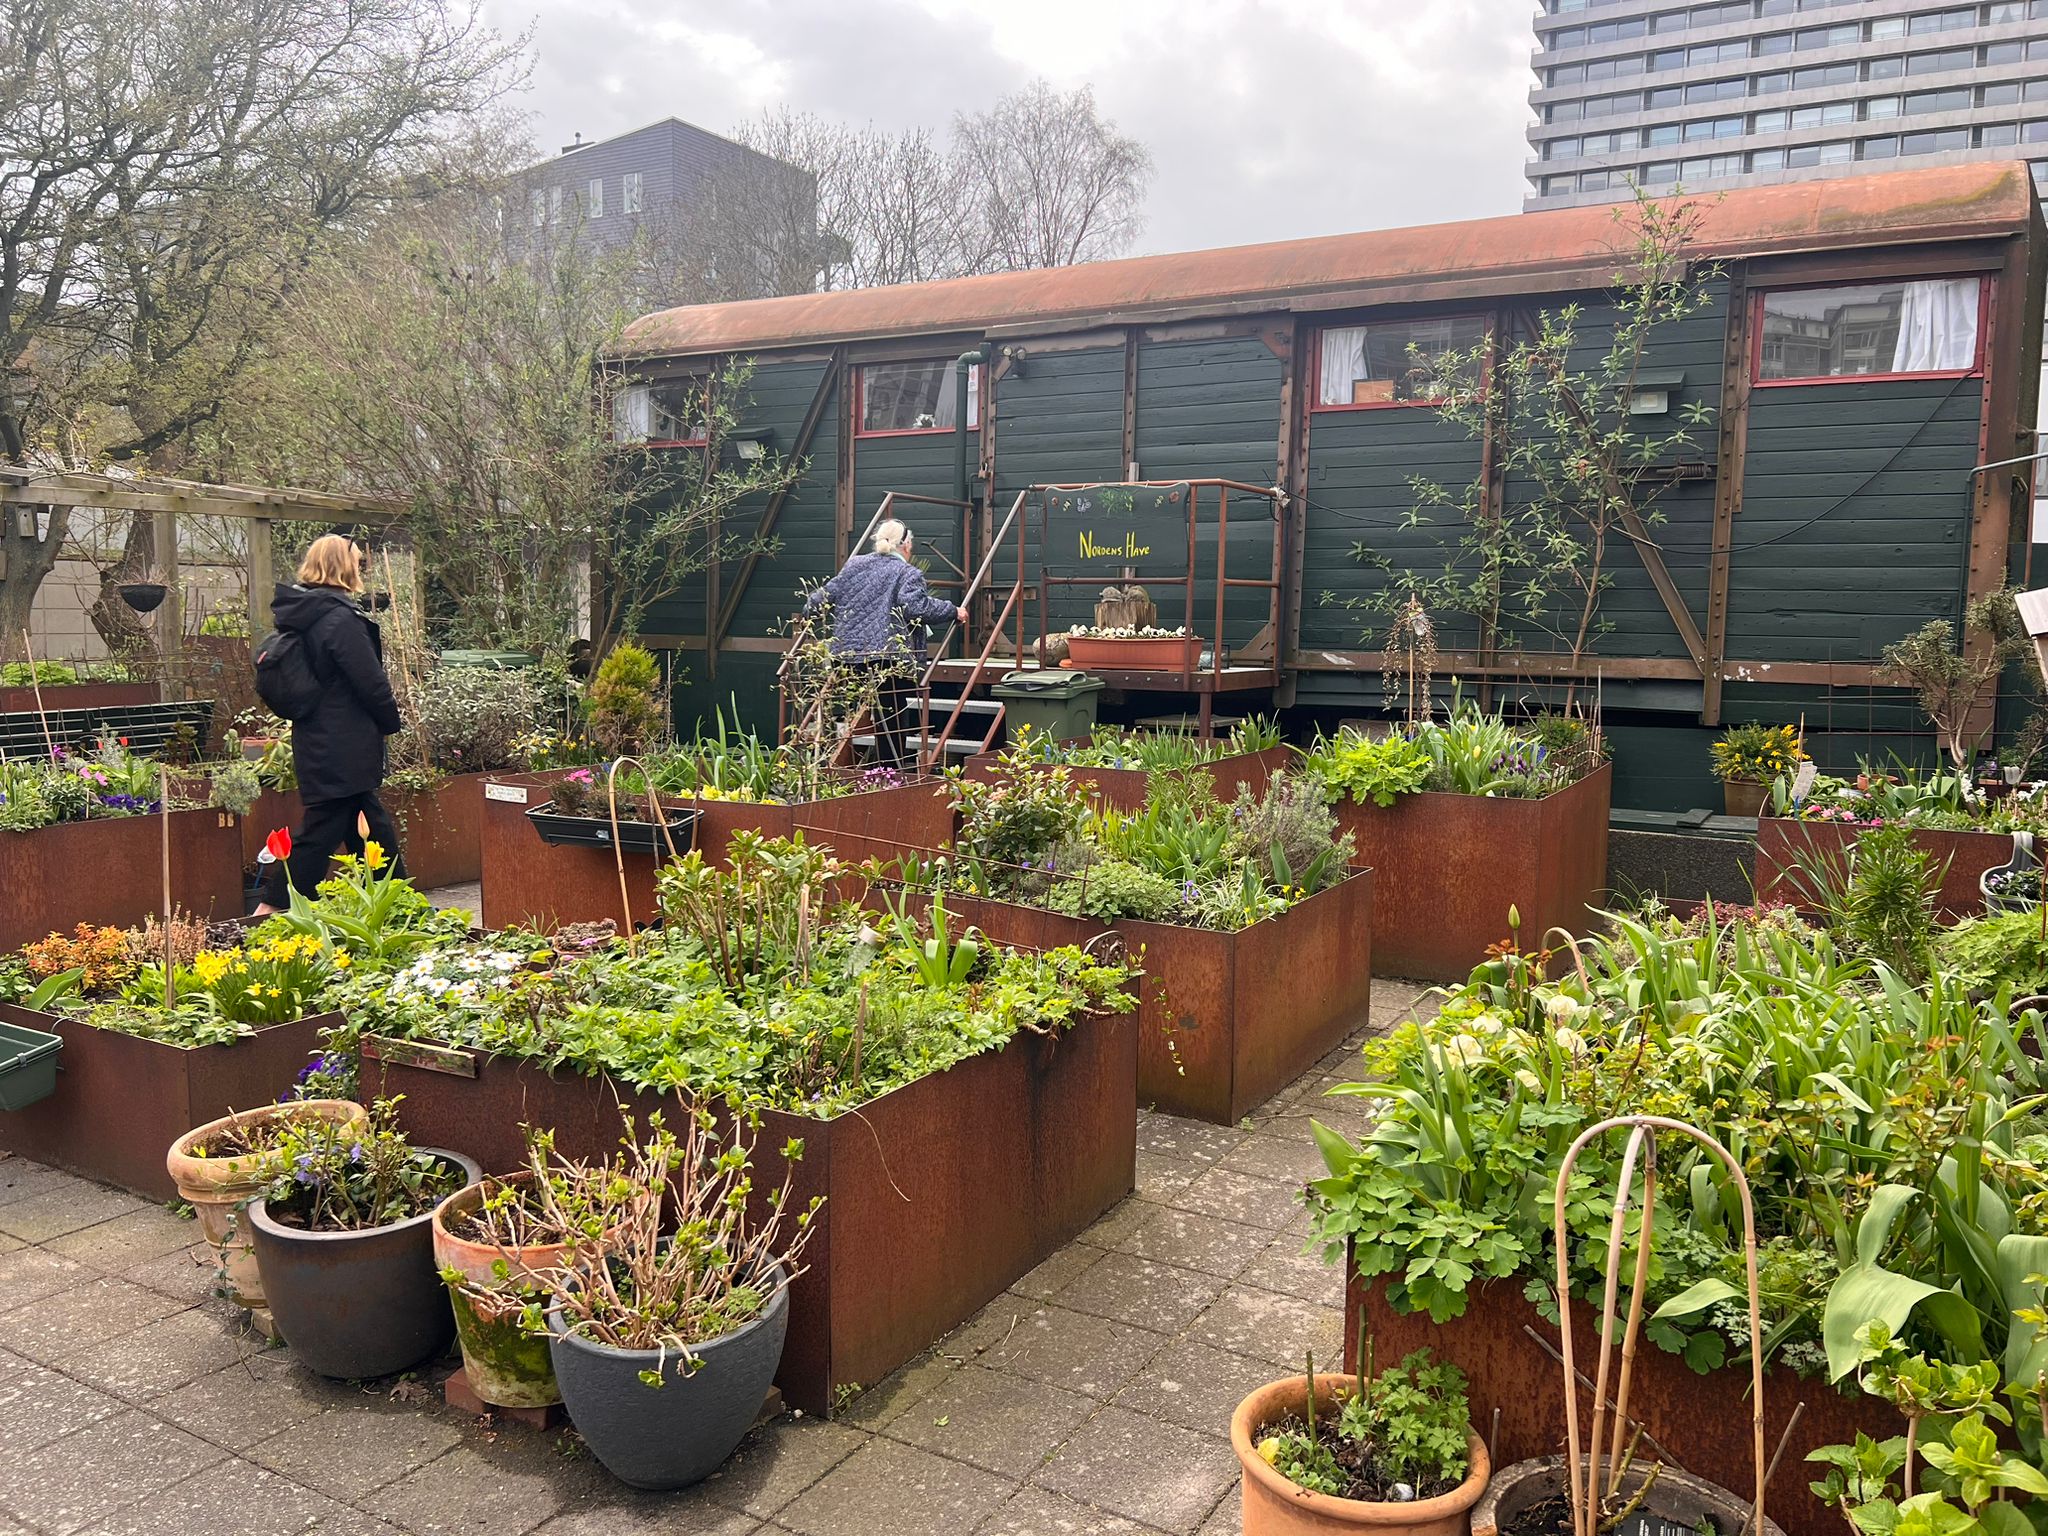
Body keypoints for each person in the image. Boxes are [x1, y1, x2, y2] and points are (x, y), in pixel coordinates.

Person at [254, 535, 407, 911]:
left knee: (370, 826)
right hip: (345, 744)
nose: (361, 569)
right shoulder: (338, 619)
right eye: (357, 562)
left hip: (321, 738)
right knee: (322, 831)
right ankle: (268, 911)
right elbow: (369, 681)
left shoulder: (306, 614)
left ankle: (401, 904)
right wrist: (391, 721)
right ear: (342, 565)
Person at [801, 518, 966, 769]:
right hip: (887, 658)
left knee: (853, 712)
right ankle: (889, 775)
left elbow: (820, 599)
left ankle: (852, 772)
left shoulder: (855, 565)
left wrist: (806, 616)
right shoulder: (906, 572)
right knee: (892, 720)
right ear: (906, 546)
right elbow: (916, 607)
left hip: (848, 656)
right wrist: (953, 611)